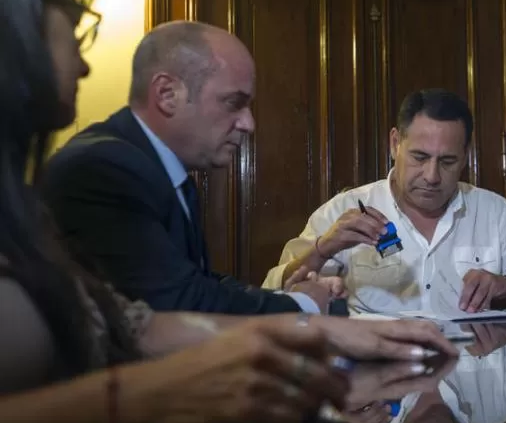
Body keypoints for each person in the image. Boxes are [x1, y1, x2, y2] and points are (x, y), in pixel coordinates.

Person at [0, 0, 456, 423]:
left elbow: (127, 320)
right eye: (75, 29)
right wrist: (151, 396)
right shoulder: (103, 167)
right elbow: (164, 311)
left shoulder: (33, 197)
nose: (86, 68)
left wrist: (327, 331)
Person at [42, 20, 338, 315]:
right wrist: (303, 304)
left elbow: (194, 282)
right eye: (233, 102)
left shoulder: (162, 171)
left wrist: (285, 297)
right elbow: (177, 302)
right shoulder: (103, 170)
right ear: (167, 94)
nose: (248, 124)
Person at [264, 88, 506, 314]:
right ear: (395, 144)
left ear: (466, 156)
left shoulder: (494, 213)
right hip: (376, 368)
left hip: (472, 367)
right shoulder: (344, 209)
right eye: (419, 157)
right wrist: (323, 248)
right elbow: (273, 291)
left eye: (448, 161)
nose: (432, 176)